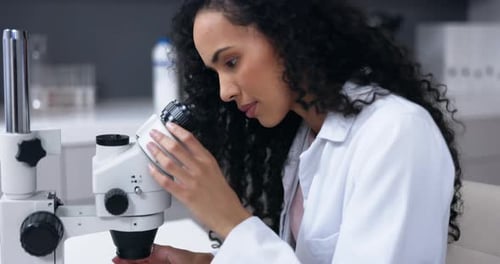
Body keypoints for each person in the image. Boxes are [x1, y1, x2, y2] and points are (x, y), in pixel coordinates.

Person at [113, 0, 463, 263]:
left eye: (231, 62)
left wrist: (230, 220)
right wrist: (206, 262)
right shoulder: (304, 136)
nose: (224, 92)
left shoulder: (396, 135)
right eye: (215, 73)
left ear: (287, 35)